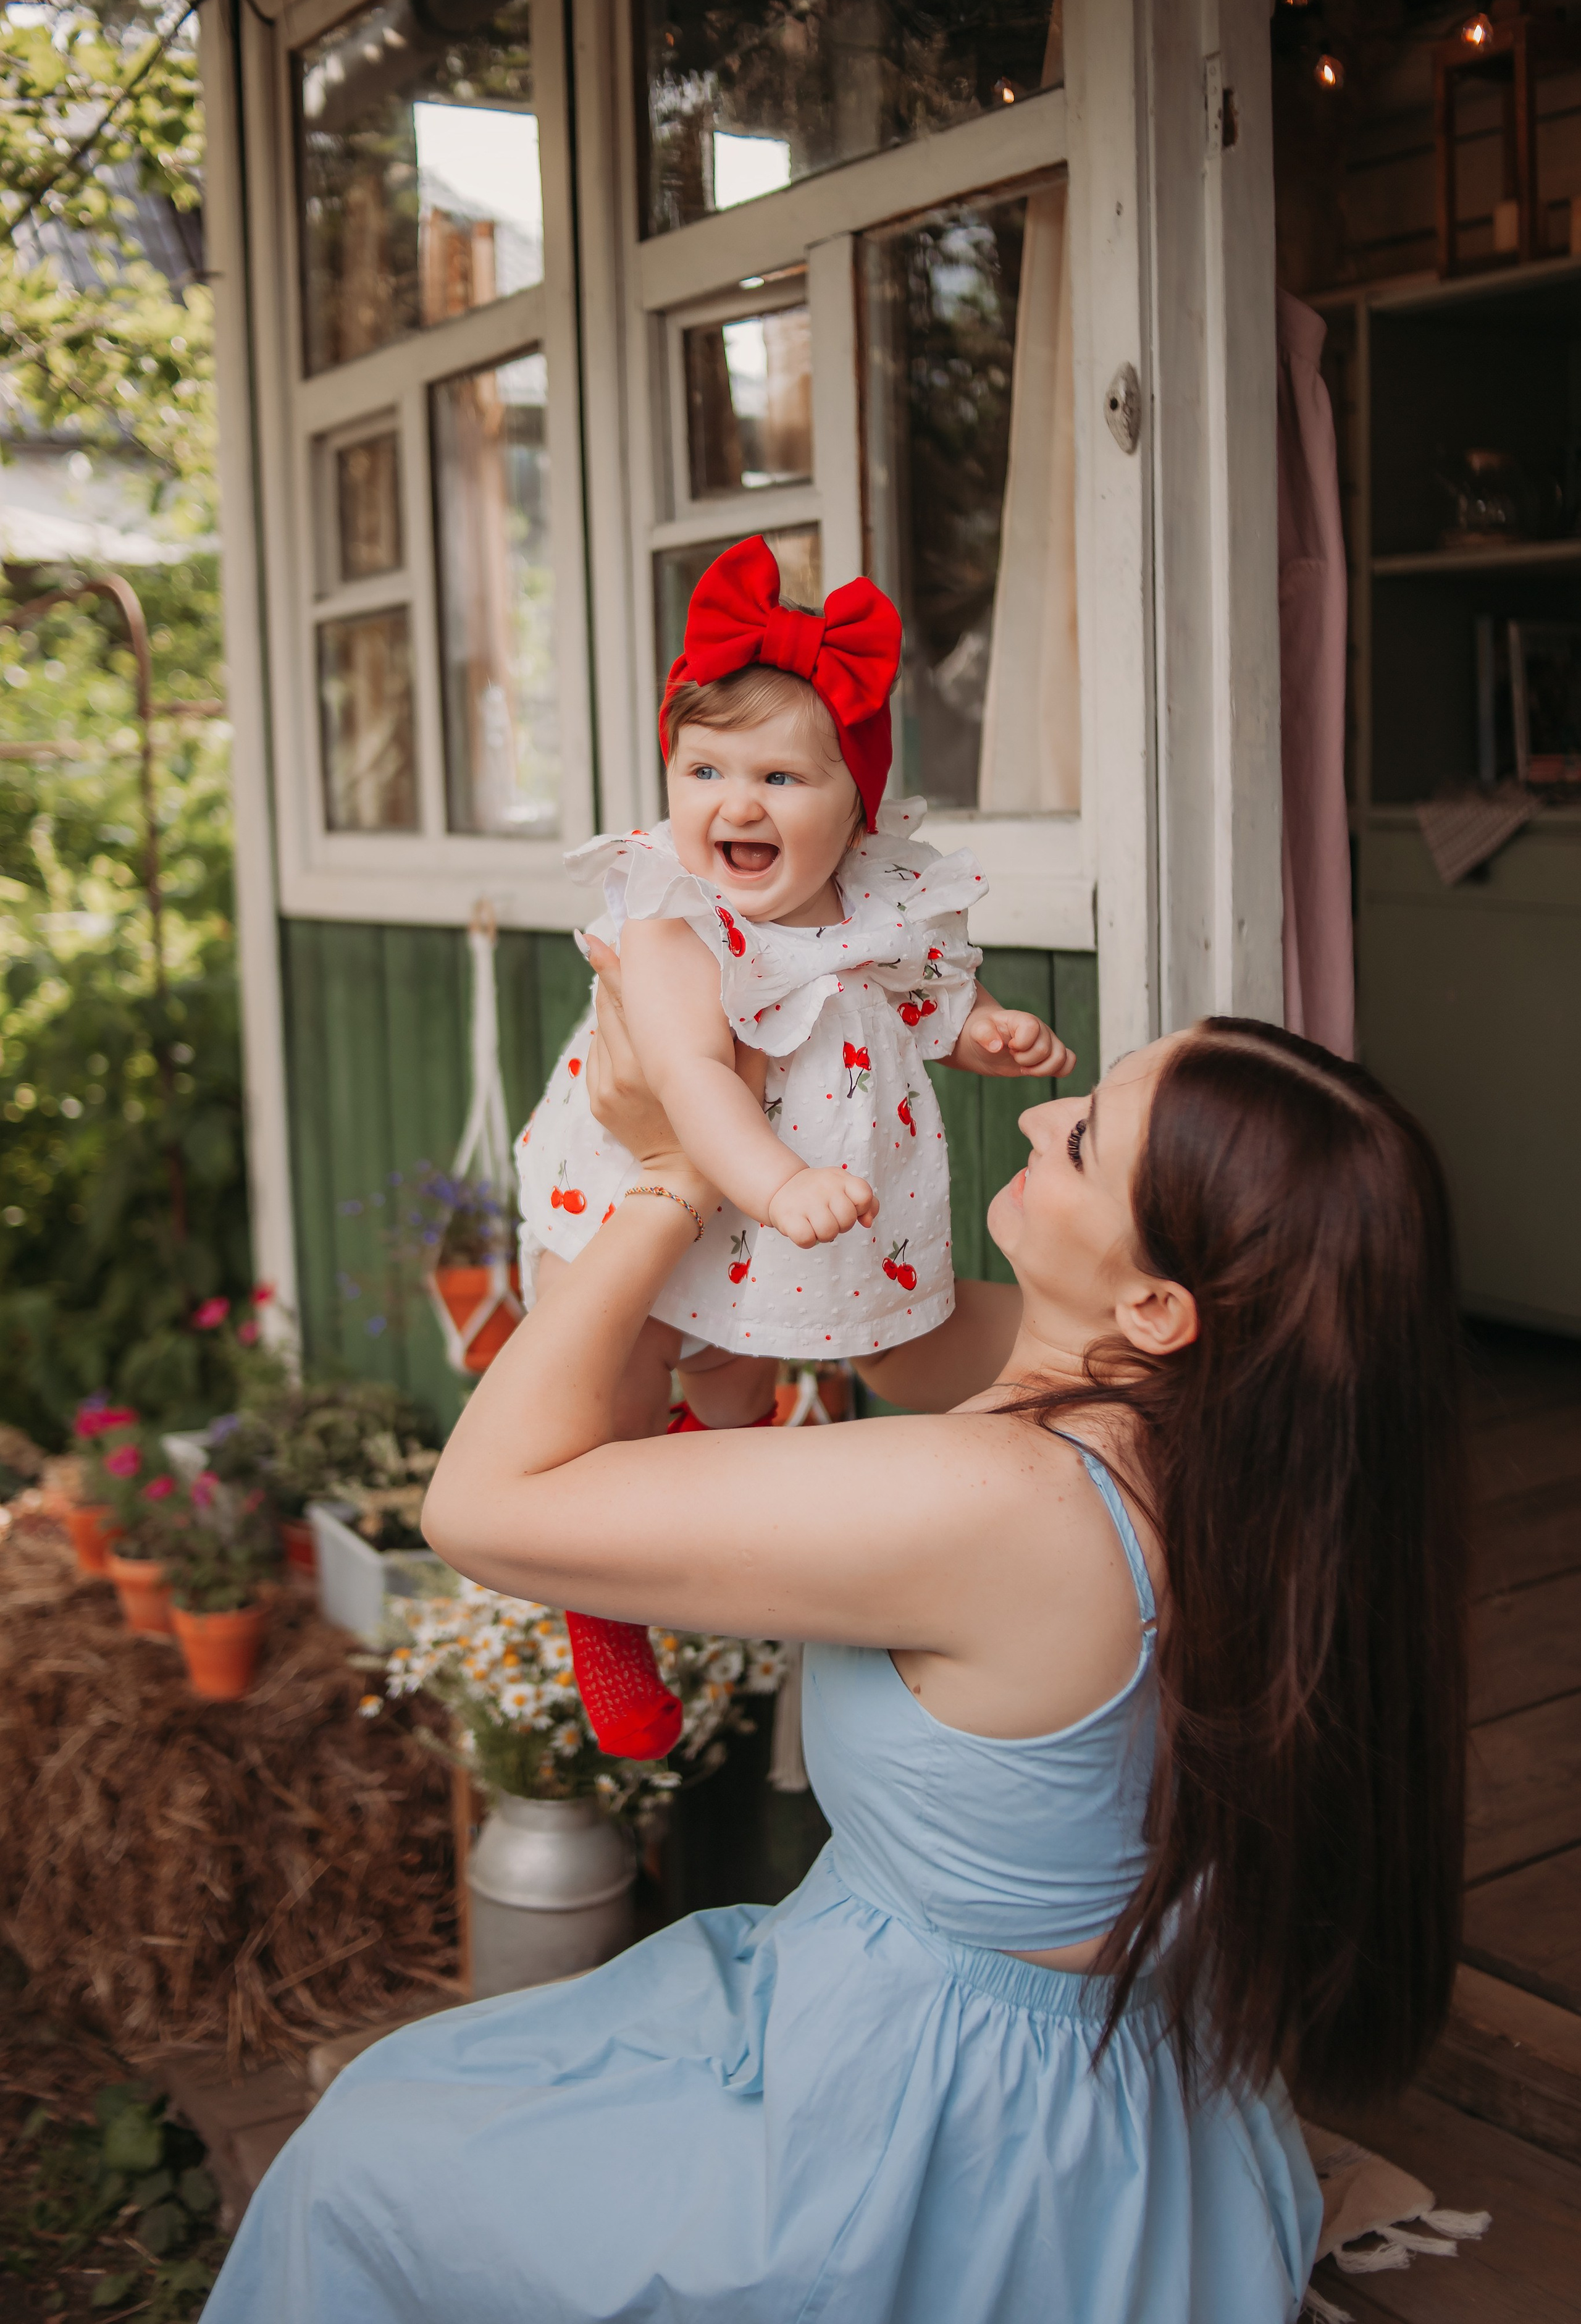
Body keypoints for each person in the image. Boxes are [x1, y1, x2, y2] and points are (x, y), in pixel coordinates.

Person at [205, 966, 1467, 2324]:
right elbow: (887, 1321)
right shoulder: (1230, 1425)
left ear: (1156, 1307)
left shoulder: (1009, 1508)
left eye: (1084, 1139)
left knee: (367, 2155)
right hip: (1112, 2076)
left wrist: (666, 1178)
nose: (1041, 1121)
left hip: (947, 2132)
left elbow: (484, 1508)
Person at [519, 532, 1070, 1753]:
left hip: (787, 1218)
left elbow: (924, 1013)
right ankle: (599, 1603)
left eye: (779, 778)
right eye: (704, 768)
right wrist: (771, 1184)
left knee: (736, 1377)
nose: (735, 803)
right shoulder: (670, 924)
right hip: (654, 1192)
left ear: (854, 808)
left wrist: (989, 1035)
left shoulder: (879, 912)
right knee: (621, 1369)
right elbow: (688, 1081)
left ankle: (706, 1518)